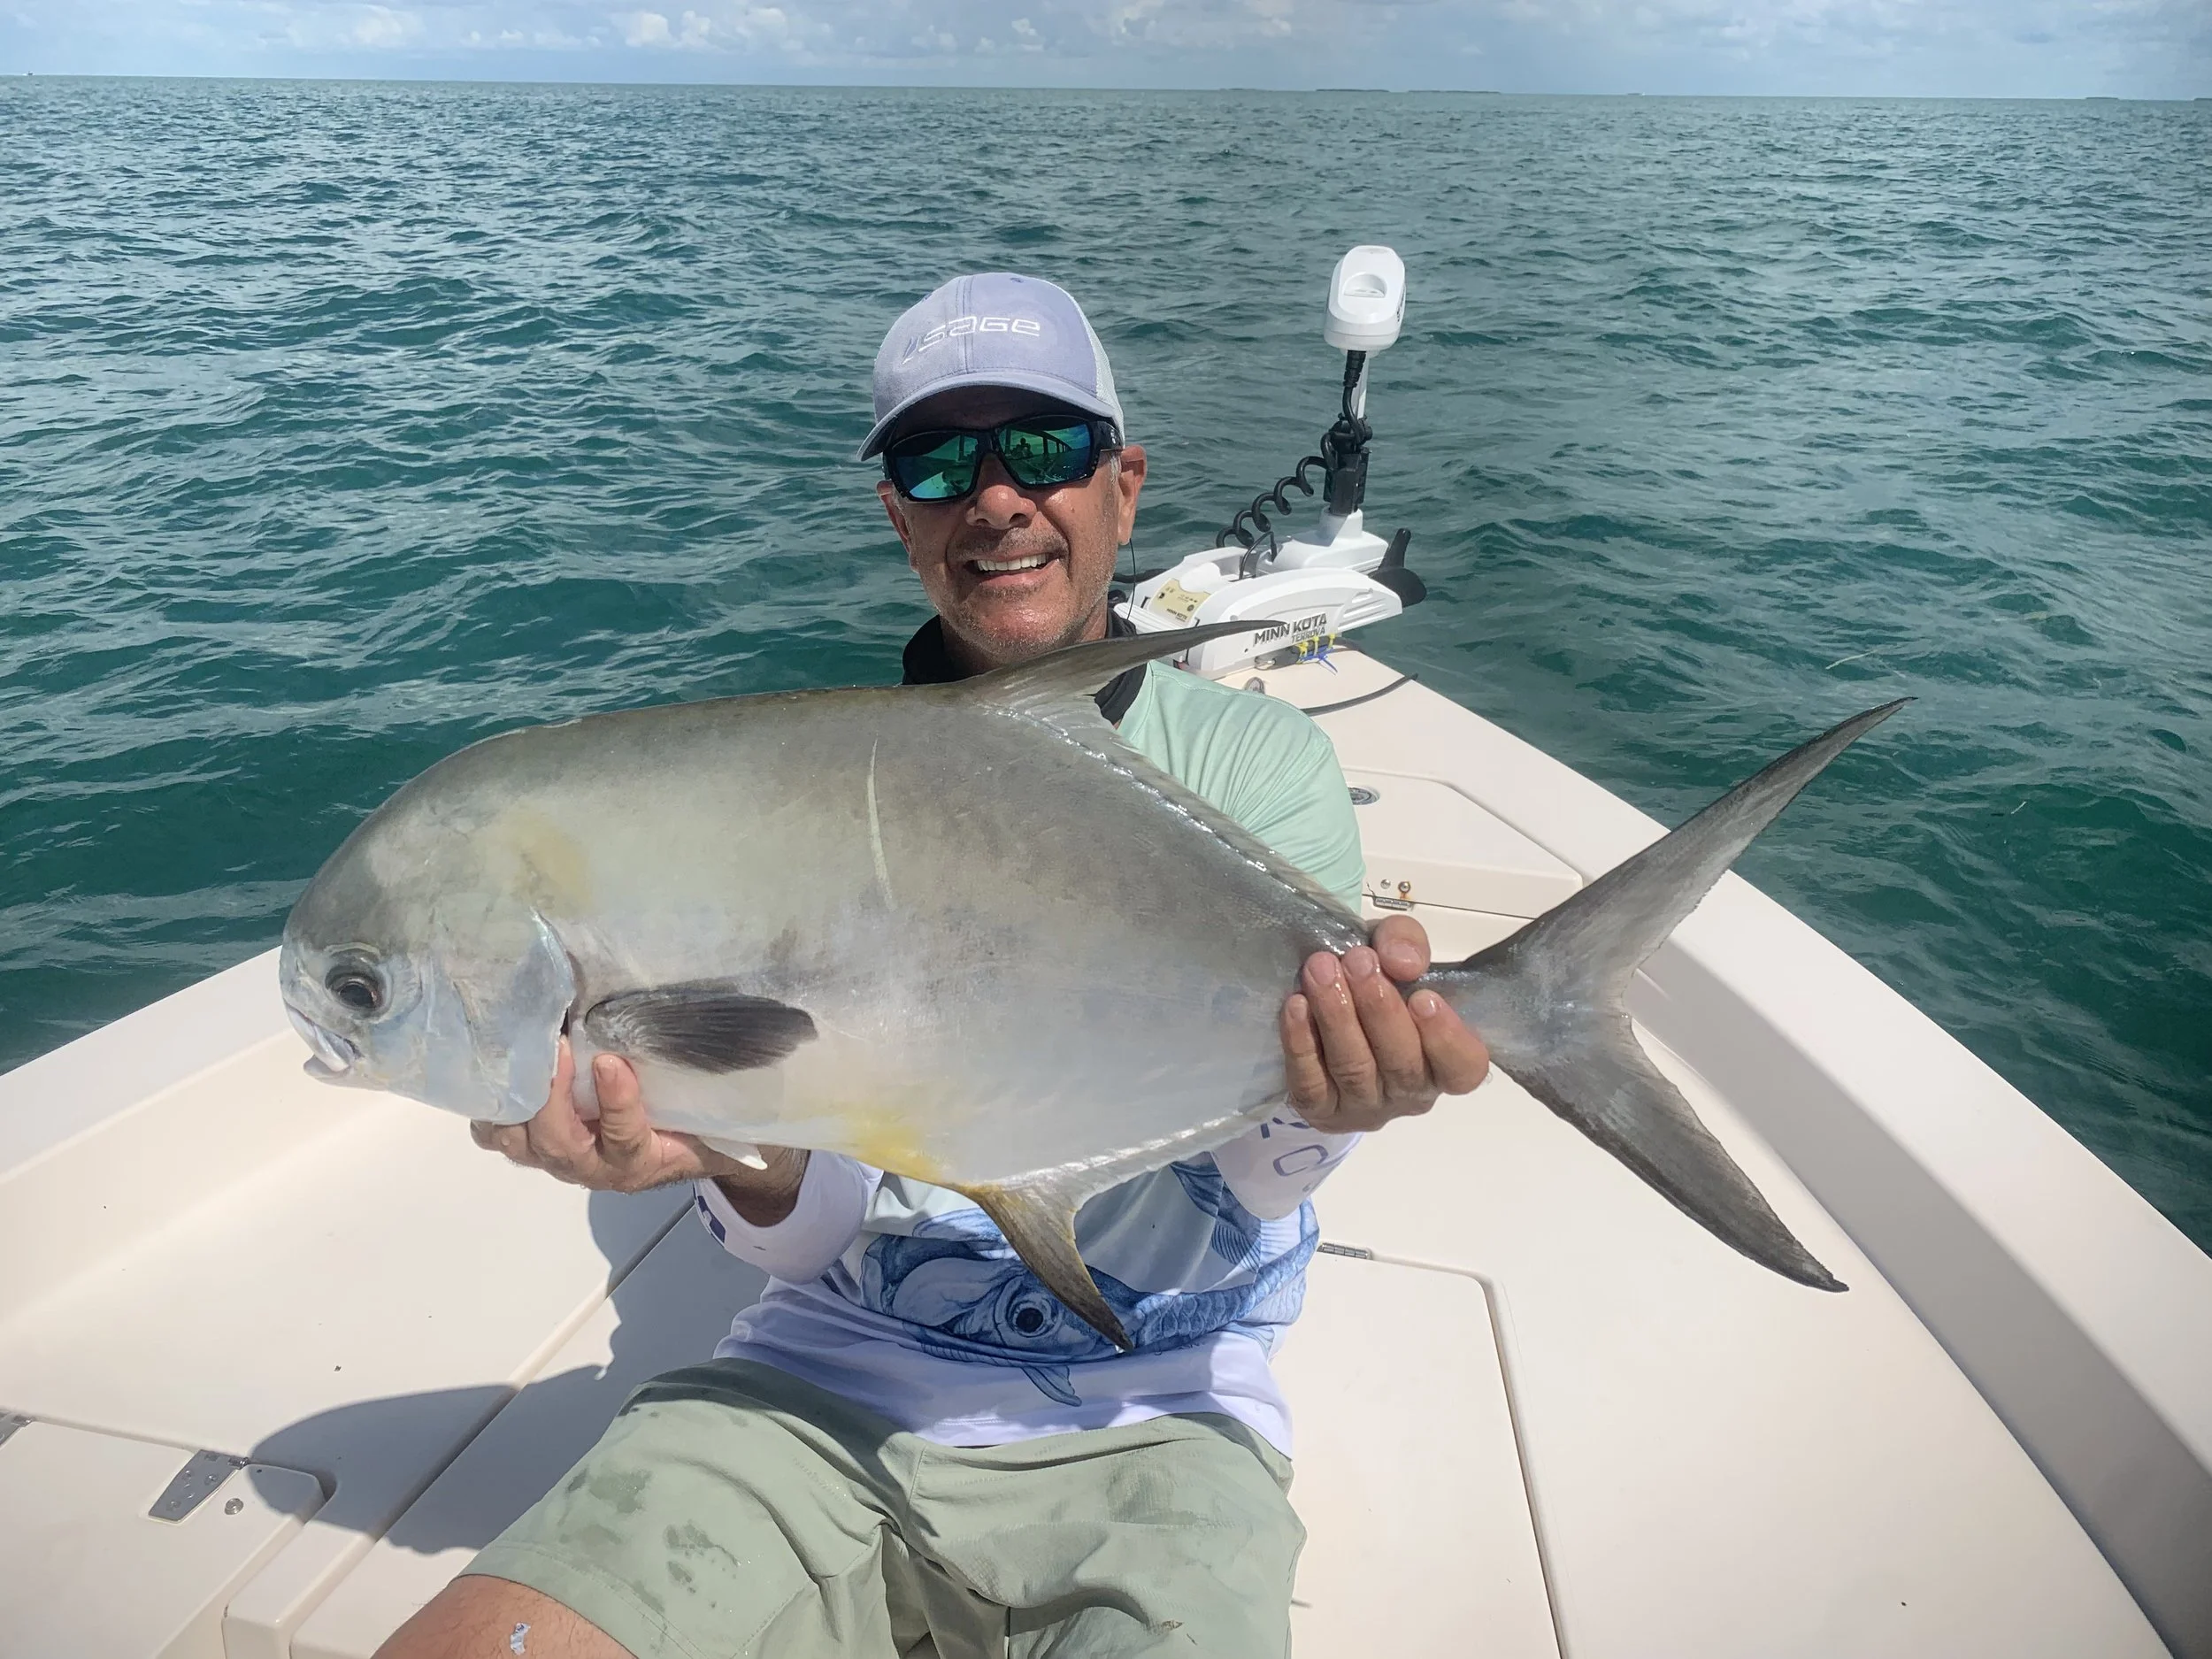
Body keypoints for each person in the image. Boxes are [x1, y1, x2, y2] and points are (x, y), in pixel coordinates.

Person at [380, 273, 1489, 1659]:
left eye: (1043, 447)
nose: (998, 495)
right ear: (901, 515)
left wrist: (1329, 1107)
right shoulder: (802, 789)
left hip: (1162, 1411)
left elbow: (1245, 1184)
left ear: (1123, 485)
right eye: (939, 458)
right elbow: (823, 1198)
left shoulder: (1256, 766)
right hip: (818, 1390)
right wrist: (730, 1155)